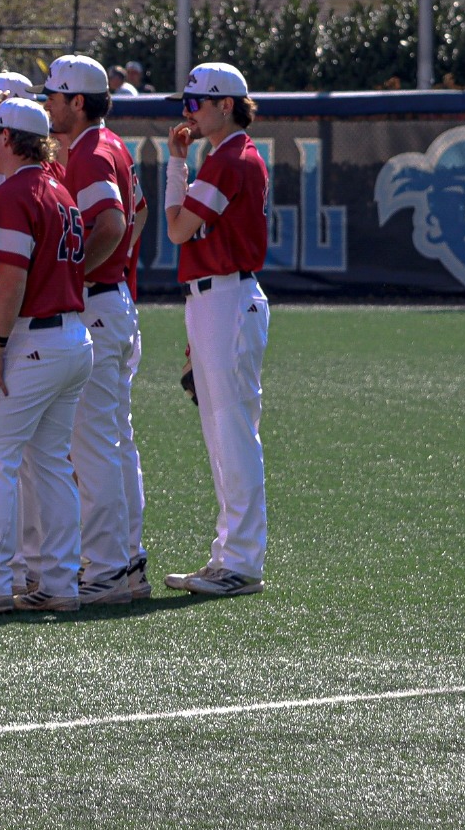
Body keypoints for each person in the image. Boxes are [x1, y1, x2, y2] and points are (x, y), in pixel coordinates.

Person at [0, 97, 93, 615]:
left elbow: (11, 277)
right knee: (51, 464)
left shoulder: (16, 193)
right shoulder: (57, 188)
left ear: (8, 139)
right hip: (71, 338)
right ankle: (59, 580)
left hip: (30, 339)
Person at [40, 55, 150, 604]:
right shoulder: (106, 144)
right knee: (113, 440)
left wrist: (73, 274)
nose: (47, 104)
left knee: (94, 445)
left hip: (97, 303)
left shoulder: (90, 150)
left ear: (76, 101)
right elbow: (137, 214)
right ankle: (125, 561)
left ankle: (108, 566)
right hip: (112, 301)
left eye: (53, 96)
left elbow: (110, 222)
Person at [163, 63, 271, 597]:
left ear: (225, 104)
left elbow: (178, 228)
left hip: (228, 295)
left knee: (234, 435)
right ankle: (228, 555)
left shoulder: (232, 158)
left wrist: (175, 166)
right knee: (222, 436)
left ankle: (242, 562)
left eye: (196, 103)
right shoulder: (225, 156)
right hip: (214, 300)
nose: (189, 113)